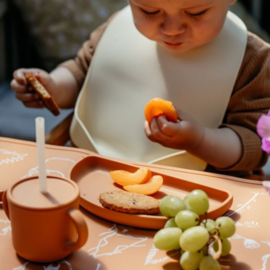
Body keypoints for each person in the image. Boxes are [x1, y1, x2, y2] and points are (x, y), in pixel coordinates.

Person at [10, 0, 270, 179]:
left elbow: (254, 147)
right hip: (91, 171)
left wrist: (199, 140)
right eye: (148, 10)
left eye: (196, 13)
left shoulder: (253, 60)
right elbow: (82, 75)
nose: (171, 29)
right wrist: (53, 86)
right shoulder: (117, 27)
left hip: (195, 198)